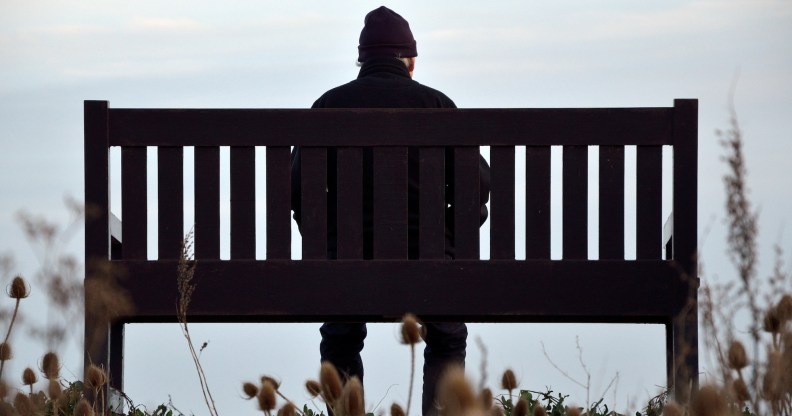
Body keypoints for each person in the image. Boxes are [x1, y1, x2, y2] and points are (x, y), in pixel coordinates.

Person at [290, 6, 490, 415]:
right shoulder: (438, 105)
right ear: (410, 61)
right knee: (447, 336)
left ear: (362, 59)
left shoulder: (328, 106)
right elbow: (478, 187)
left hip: (346, 265)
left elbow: (298, 192)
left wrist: (327, 244)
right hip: (432, 263)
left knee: (340, 335)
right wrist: (451, 238)